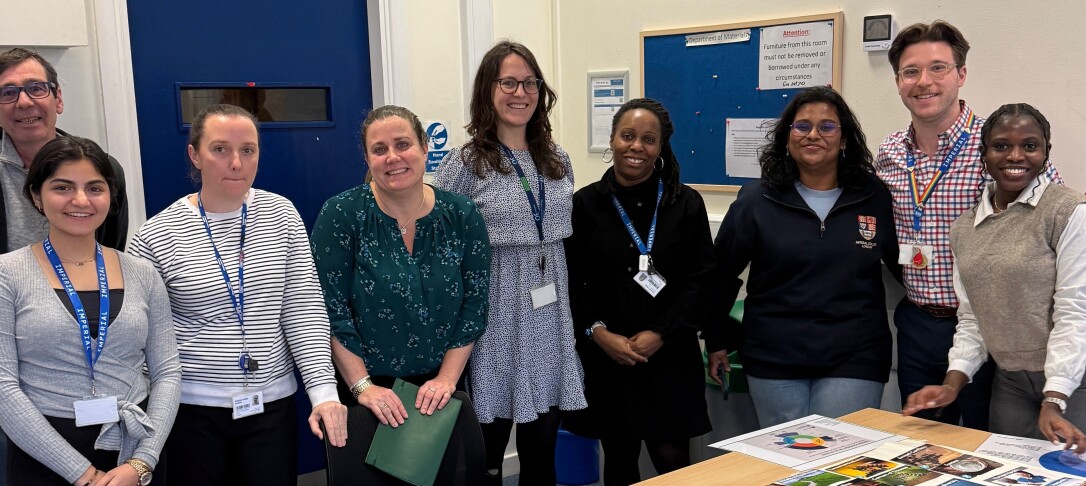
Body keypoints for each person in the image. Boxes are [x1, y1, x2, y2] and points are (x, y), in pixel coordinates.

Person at [127, 104, 347, 485]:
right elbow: (141, 340)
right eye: (220, 149)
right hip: (190, 411)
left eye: (248, 150)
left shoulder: (281, 215)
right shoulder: (156, 235)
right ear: (195, 155)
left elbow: (303, 310)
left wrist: (324, 392)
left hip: (271, 406)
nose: (236, 163)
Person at [875, 20, 1062, 429]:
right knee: (919, 441)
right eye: (911, 71)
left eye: (938, 68)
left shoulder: (1000, 146)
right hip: (918, 321)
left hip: (992, 329)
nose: (924, 82)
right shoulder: (889, 153)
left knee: (987, 448)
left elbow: (1056, 223)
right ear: (898, 82)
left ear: (961, 74)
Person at [433, 40, 586, 485]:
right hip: (493, 319)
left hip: (550, 315)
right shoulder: (464, 163)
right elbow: (443, 250)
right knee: (486, 457)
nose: (520, 92)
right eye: (509, 82)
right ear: (488, 90)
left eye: (530, 82)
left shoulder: (558, 160)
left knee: (542, 456)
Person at [710, 86, 901, 427]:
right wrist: (716, 340)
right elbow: (719, 274)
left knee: (839, 461)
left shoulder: (874, 196)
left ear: (844, 140)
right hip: (774, 356)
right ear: (787, 138)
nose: (814, 134)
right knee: (787, 466)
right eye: (802, 126)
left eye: (827, 127)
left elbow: (907, 269)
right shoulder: (757, 200)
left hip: (855, 354)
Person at [903, 104, 1086, 452]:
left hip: (1076, 381)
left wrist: (1055, 398)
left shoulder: (1069, 211)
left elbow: (1075, 313)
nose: (1015, 155)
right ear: (983, 155)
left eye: (1030, 145)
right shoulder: (964, 229)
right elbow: (973, 318)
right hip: (1011, 384)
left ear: (1046, 153)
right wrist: (952, 385)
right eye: (1001, 145)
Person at [0, 136, 179, 486]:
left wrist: (143, 462)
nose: (80, 200)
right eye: (63, 187)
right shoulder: (7, 274)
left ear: (110, 197)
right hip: (44, 456)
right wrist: (83, 474)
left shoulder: (143, 273)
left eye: (94, 188)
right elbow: (4, 386)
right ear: (37, 196)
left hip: (132, 450)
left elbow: (168, 371)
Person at [563, 98, 714, 484]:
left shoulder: (686, 204)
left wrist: (662, 333)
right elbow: (572, 282)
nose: (636, 147)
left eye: (648, 139)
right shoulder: (584, 205)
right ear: (611, 139)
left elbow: (701, 281)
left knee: (673, 462)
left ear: (660, 148)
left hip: (669, 357)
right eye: (627, 136)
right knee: (618, 461)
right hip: (608, 358)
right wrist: (598, 333)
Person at [311, 104, 491, 422]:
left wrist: (447, 379)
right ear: (368, 160)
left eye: (402, 144)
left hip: (442, 388)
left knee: (450, 472)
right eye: (379, 150)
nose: (393, 157)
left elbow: (474, 306)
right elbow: (329, 310)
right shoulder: (341, 215)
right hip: (366, 393)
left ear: (424, 146)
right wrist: (362, 387)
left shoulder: (462, 214)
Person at [0, 48, 128, 252]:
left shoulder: (106, 169)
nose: (24, 102)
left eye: (36, 88)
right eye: (8, 93)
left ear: (58, 99)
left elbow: (110, 251)